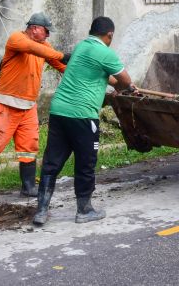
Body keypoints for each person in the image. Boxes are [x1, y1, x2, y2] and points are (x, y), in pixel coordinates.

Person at [33, 16, 134, 226]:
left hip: (59, 110)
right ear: (109, 35)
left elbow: (104, 76)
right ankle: (84, 210)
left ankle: (41, 211)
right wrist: (125, 87)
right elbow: (124, 79)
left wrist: (119, 86)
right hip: (82, 114)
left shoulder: (81, 47)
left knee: (52, 162)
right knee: (86, 162)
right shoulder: (105, 53)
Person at [0, 12, 68, 207]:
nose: (48, 36)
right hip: (4, 105)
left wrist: (81, 68)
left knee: (29, 146)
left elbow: (60, 64)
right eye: (46, 32)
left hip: (28, 107)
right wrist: (63, 55)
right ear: (35, 28)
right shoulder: (17, 39)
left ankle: (28, 187)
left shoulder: (45, 47)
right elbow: (33, 49)